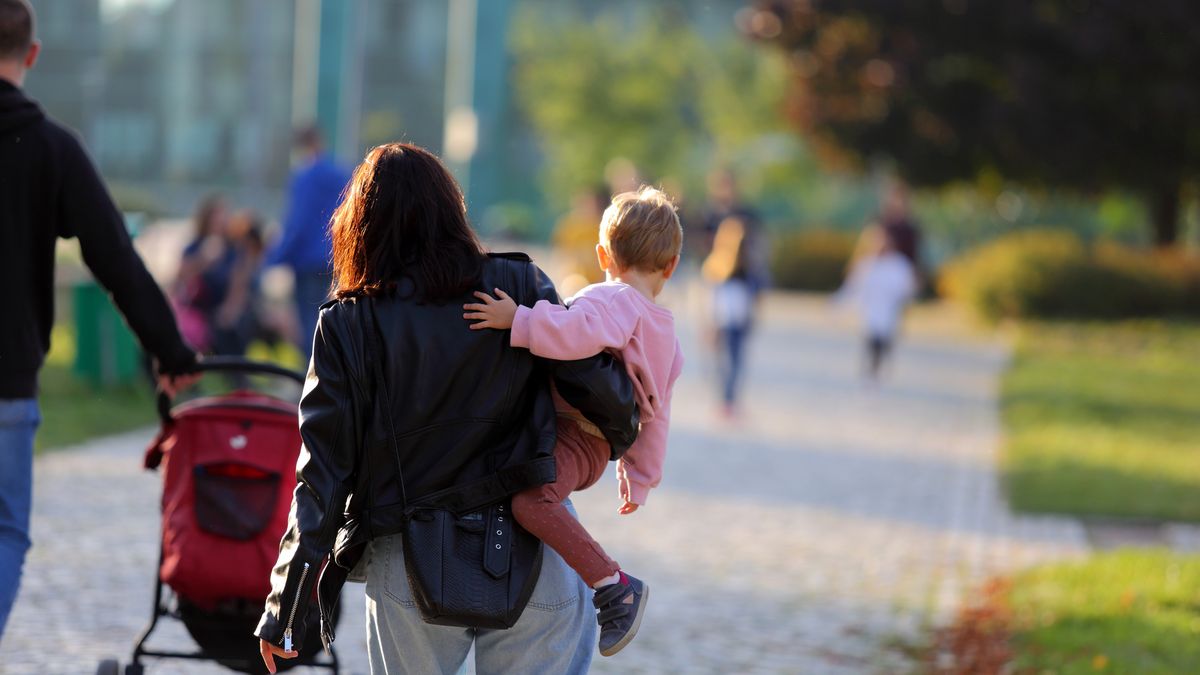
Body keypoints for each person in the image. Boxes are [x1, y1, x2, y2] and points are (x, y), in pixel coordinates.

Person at [255, 143, 640, 675]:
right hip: (537, 552)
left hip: (408, 563)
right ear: (451, 211)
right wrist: (612, 445)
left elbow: (322, 475)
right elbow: (606, 391)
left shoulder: (347, 323)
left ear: (358, 228)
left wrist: (286, 605)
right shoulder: (519, 285)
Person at [0, 0, 198, 642]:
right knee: (3, 530)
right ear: (31, 55)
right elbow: (115, 259)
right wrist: (171, 355)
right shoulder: (53, 149)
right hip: (7, 381)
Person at [464, 186, 685, 656]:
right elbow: (657, 416)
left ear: (603, 253)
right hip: (597, 446)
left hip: (572, 434)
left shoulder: (612, 300)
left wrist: (516, 319)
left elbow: (575, 332)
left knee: (532, 502)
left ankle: (614, 584)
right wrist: (639, 477)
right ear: (671, 265)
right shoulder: (668, 332)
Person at [264, 125, 351, 361]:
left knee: (310, 327)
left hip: (307, 261)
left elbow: (298, 222)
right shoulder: (340, 173)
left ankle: (312, 382)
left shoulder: (304, 177)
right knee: (333, 322)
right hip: (337, 258)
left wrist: (272, 259)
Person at [834, 226, 918, 380]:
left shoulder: (898, 265)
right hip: (870, 315)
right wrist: (837, 307)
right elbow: (852, 289)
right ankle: (872, 374)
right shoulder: (866, 265)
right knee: (872, 344)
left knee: (885, 344)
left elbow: (907, 290)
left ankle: (879, 372)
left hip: (890, 315)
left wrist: (906, 306)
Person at [702, 217, 759, 417]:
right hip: (723, 322)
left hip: (739, 321)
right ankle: (726, 400)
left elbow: (754, 295)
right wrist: (710, 324)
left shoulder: (748, 266)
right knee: (725, 363)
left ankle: (731, 400)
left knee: (735, 363)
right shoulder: (717, 265)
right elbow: (711, 298)